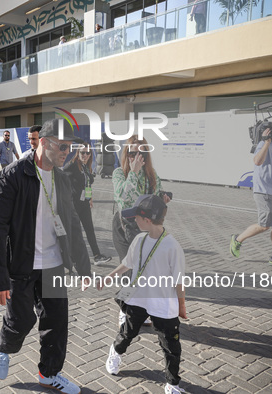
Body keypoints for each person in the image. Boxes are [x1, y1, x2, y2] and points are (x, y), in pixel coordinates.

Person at [0, 119, 91, 394]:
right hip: (21, 264)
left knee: (57, 321)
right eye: (62, 146)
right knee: (21, 321)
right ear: (43, 142)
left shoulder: (63, 178)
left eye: (69, 147)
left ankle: (49, 373)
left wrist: (84, 266)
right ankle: (2, 346)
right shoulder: (13, 175)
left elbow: (72, 224)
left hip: (54, 264)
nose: (66, 152)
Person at [98, 194, 187, 394]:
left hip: (163, 305)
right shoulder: (139, 239)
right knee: (127, 333)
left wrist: (181, 306)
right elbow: (127, 263)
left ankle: (172, 384)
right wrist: (109, 277)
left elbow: (179, 281)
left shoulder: (172, 247)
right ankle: (116, 352)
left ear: (147, 219)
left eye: (136, 217)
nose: (133, 220)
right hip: (138, 298)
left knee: (171, 346)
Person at [113, 135, 172, 327]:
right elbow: (123, 198)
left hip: (145, 227)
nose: (136, 156)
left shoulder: (151, 174)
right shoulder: (119, 173)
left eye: (141, 152)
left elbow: (156, 197)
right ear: (126, 154)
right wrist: (133, 172)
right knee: (129, 270)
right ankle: (125, 310)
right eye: (132, 152)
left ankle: (140, 309)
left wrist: (162, 200)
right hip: (125, 226)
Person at [230, 122, 272, 265]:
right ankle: (237, 239)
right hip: (265, 191)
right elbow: (257, 161)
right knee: (264, 225)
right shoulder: (265, 144)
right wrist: (266, 142)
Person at [63, 145, 111, 265]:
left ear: (90, 155)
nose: (85, 155)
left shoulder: (86, 167)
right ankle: (70, 257)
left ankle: (97, 256)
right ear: (78, 153)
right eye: (82, 153)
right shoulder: (72, 165)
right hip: (73, 205)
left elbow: (87, 183)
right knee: (74, 231)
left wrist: (90, 197)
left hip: (84, 203)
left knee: (89, 230)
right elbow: (61, 179)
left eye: (87, 153)